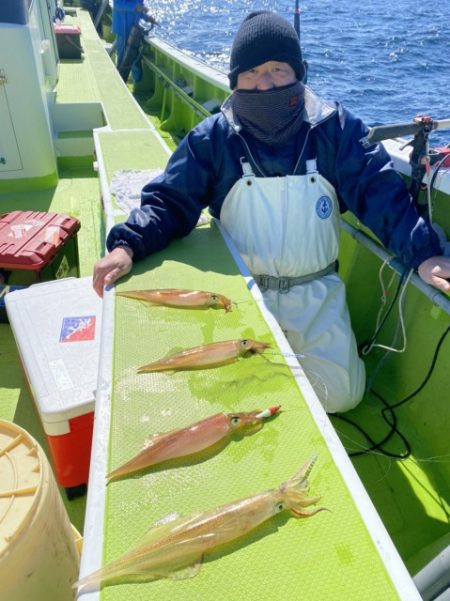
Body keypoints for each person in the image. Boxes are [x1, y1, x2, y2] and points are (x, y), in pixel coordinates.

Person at [93, 11, 450, 413]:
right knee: (224, 394)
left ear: (299, 73)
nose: (265, 83)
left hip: (315, 291)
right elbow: (169, 202)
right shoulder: (213, 139)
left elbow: (378, 192)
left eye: (278, 69)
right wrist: (127, 245)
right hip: (240, 293)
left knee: (343, 396)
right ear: (235, 80)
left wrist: (422, 253)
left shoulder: (335, 130)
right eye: (252, 72)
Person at [112, 0, 147, 82]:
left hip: (133, 30)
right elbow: (117, 4)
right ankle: (119, 82)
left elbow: (139, 9)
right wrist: (135, 7)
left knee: (134, 55)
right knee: (122, 58)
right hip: (122, 29)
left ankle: (137, 83)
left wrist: (147, 17)